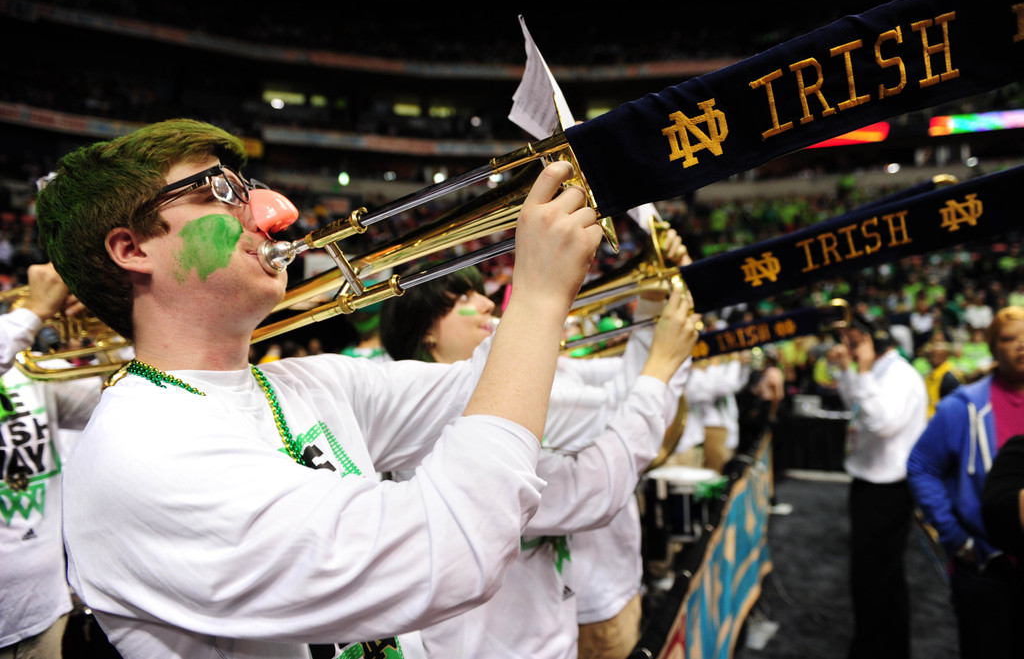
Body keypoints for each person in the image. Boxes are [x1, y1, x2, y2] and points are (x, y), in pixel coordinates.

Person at [34, 118, 605, 659]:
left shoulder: (309, 382)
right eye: (218, 192)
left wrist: (563, 293)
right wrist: (535, 299)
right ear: (132, 249)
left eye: (247, 187)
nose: (274, 214)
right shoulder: (139, 452)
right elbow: (454, 551)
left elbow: (541, 404)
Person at [378, 255, 698, 659]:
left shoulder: (498, 396)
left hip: (546, 629)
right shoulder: (431, 432)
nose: (486, 305)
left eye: (480, 291)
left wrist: (652, 307)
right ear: (426, 332)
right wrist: (660, 368)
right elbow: (592, 492)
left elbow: (611, 415)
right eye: (462, 297)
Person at [908, 306, 1024, 659]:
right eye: (1009, 339)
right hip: (985, 564)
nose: (1021, 346)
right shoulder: (965, 406)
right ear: (993, 348)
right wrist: (955, 537)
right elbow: (921, 466)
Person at [1, 263, 102, 659]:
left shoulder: (31, 366)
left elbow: (106, 409)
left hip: (41, 608)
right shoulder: (18, 331)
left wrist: (113, 322)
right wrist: (31, 313)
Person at [826, 313, 927, 659]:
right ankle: (876, 646)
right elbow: (855, 406)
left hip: (888, 491)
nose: (848, 347)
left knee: (879, 578)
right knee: (871, 578)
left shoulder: (900, 376)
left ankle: (881, 649)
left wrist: (862, 371)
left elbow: (882, 423)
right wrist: (846, 372)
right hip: (871, 484)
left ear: (876, 340)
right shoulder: (880, 372)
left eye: (854, 341)